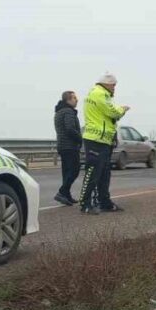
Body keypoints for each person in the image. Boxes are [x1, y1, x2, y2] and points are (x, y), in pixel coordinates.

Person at [78, 73, 130, 215]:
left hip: (104, 139)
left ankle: (104, 202)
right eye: (113, 85)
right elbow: (112, 112)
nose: (114, 88)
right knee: (93, 173)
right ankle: (85, 203)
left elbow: (107, 116)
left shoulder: (99, 94)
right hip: (96, 139)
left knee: (104, 173)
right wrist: (123, 109)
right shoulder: (100, 94)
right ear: (106, 84)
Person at [53, 90, 82, 206]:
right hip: (70, 146)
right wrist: (80, 139)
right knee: (75, 170)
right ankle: (62, 192)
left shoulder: (59, 111)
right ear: (68, 100)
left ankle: (66, 195)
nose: (77, 100)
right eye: (74, 98)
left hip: (62, 145)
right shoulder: (68, 111)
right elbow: (70, 129)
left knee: (66, 172)